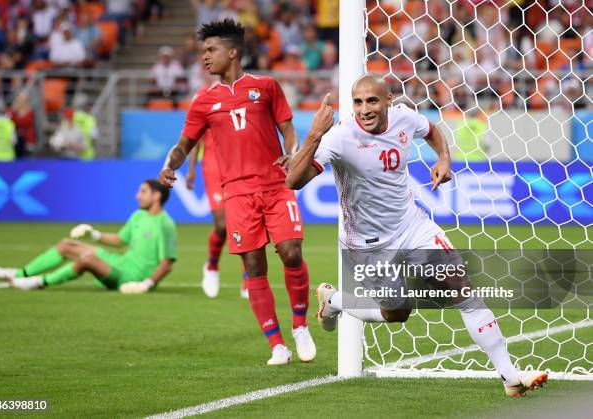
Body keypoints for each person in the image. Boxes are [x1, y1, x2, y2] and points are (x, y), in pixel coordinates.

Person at [286, 73, 548, 396]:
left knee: (462, 288)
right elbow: (293, 181)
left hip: (412, 226)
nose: (364, 109)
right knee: (397, 313)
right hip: (368, 245)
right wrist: (314, 133)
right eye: (357, 102)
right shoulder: (338, 138)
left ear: (388, 102)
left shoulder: (404, 119)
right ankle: (336, 300)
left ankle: (509, 376)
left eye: (372, 101)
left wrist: (444, 158)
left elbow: (433, 131)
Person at [160, 19, 315, 366]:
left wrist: (292, 153)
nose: (204, 57)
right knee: (253, 264)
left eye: (210, 50)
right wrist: (172, 164)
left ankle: (300, 325)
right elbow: (184, 144)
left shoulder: (267, 87)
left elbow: (288, 129)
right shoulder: (204, 101)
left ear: (232, 52)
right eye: (203, 51)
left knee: (291, 252)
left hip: (276, 185)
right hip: (237, 194)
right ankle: (277, 344)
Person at [0, 179, 177, 294]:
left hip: (129, 277)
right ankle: (19, 273)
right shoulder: (139, 215)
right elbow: (120, 240)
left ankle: (38, 282)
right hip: (120, 262)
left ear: (157, 196)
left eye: (143, 191)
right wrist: (93, 234)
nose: (137, 196)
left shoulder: (165, 224)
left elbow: (167, 263)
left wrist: (146, 284)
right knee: (67, 245)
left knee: (87, 259)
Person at [186, 126, 248, 299]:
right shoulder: (204, 99)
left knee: (244, 224)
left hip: (241, 167)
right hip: (214, 168)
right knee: (222, 226)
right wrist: (191, 170)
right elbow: (195, 138)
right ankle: (212, 265)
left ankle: (248, 276)